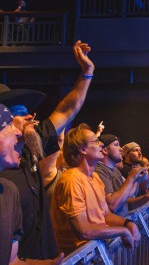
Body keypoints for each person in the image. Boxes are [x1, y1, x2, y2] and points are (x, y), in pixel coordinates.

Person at [0, 40, 95, 260]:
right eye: (20, 112)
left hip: (43, 256)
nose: (31, 116)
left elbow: (67, 109)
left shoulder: (33, 143)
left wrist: (87, 72)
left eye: (30, 111)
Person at [51, 124, 141, 255]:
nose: (101, 145)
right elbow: (83, 230)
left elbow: (106, 215)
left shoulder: (94, 177)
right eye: (96, 141)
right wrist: (122, 231)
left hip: (96, 254)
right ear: (82, 149)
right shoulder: (71, 180)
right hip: (80, 258)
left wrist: (128, 224)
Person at [0, 104, 64, 265]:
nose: (17, 132)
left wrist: (47, 263)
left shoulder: (8, 190)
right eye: (8, 126)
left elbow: (11, 260)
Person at [95, 134, 149, 217]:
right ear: (105, 150)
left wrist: (146, 197)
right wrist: (131, 177)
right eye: (116, 145)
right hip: (114, 226)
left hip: (123, 221)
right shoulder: (99, 171)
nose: (121, 149)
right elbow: (112, 206)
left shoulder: (116, 171)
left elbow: (126, 201)